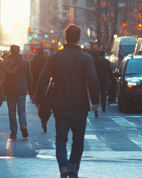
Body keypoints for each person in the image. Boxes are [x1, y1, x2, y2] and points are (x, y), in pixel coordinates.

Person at [35, 24, 100, 178]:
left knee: (60, 139)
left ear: (66, 37)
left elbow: (42, 79)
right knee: (78, 141)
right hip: (80, 106)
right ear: (78, 38)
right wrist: (95, 101)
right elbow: (93, 81)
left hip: (60, 105)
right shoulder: (86, 58)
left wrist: (38, 100)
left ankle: (63, 166)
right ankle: (73, 167)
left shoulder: (55, 57)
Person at [1, 44, 33, 139]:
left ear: (11, 51)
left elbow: (2, 78)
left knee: (12, 111)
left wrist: (3, 90)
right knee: (22, 109)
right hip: (22, 89)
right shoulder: (25, 62)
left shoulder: (5, 62)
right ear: (19, 51)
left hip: (10, 90)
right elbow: (29, 77)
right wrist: (30, 90)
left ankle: (13, 132)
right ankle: (23, 126)